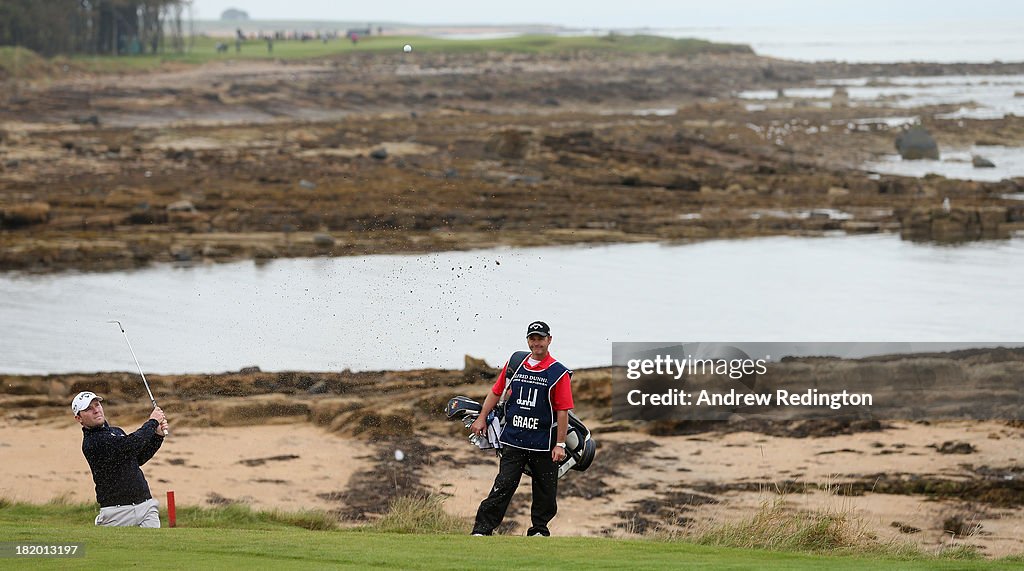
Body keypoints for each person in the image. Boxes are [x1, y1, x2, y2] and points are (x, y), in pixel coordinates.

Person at [469, 321, 574, 537]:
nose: (537, 343)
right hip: (513, 439)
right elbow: (496, 392)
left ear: (549, 340)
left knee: (545, 490)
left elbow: (563, 411)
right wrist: (481, 418)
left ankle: (539, 530)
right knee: (504, 484)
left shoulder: (558, 373)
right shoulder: (516, 363)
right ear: (528, 340)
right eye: (533, 338)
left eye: (541, 338)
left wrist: (560, 444)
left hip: (544, 442)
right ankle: (482, 529)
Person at [72, 391, 168, 527]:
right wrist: (152, 422)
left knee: (154, 546)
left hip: (146, 506)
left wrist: (157, 437)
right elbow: (130, 443)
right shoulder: (93, 442)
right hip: (116, 513)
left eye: (97, 405)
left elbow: (137, 459)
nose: (96, 410)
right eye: (88, 409)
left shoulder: (116, 431)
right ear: (79, 418)